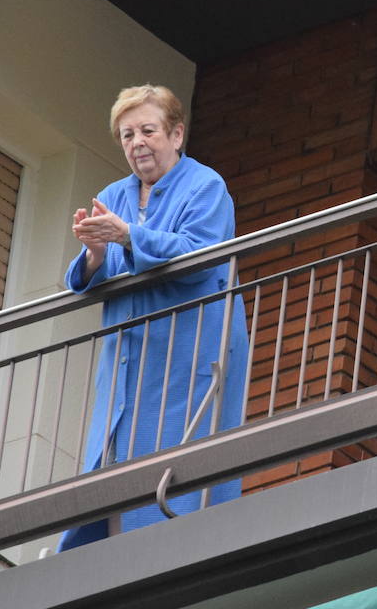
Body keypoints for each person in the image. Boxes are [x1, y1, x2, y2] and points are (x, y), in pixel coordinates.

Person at [58, 84, 248, 551]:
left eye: (147, 130)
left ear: (176, 134)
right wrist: (96, 253)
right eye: (127, 135)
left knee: (172, 462)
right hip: (129, 358)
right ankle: (111, 561)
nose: (137, 142)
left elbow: (199, 256)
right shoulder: (112, 195)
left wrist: (129, 236)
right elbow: (89, 276)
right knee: (115, 462)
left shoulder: (206, 187)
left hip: (185, 353)